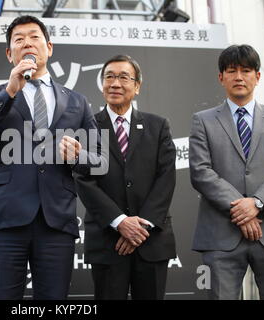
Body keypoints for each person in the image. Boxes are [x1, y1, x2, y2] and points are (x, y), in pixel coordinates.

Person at [0, 15, 103, 300]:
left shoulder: (77, 101)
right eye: (19, 39)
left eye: (34, 37)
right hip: (4, 219)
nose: (27, 43)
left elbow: (99, 161)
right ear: (9, 53)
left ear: (49, 47)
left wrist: (78, 156)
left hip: (56, 221)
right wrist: (10, 91)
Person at [74, 55, 177, 300]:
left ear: (137, 86)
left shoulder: (158, 126)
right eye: (109, 77)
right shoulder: (88, 127)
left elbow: (166, 178)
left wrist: (140, 227)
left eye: (123, 77)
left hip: (151, 241)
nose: (115, 83)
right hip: (108, 241)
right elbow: (84, 180)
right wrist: (120, 222)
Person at [189, 44, 264, 299]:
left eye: (246, 70)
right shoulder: (202, 120)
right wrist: (243, 210)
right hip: (220, 236)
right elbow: (200, 171)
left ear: (257, 76)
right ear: (221, 77)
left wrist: (259, 203)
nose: (239, 77)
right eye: (231, 71)